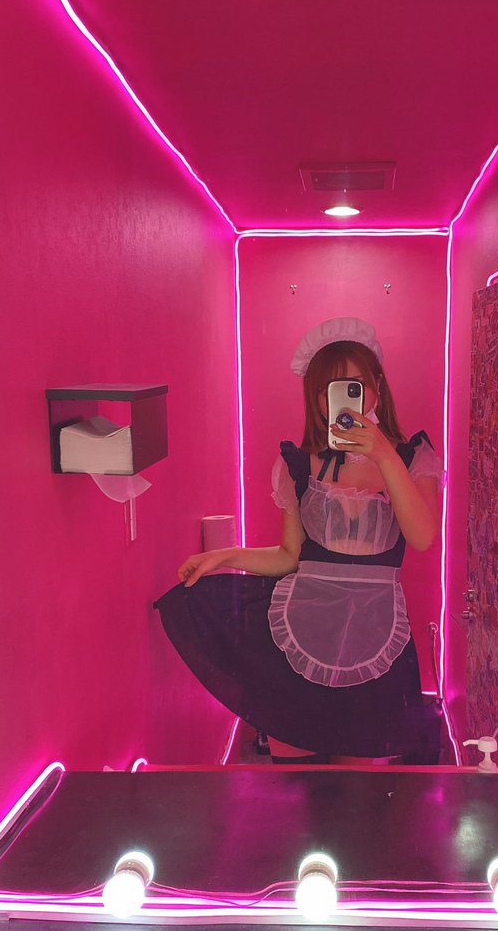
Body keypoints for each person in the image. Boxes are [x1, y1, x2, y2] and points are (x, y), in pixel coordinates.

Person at [154, 317, 445, 764]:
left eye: (353, 386)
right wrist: (224, 556)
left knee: (363, 783)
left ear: (376, 389)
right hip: (301, 631)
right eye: (328, 390)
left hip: (377, 635)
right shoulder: (297, 465)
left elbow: (422, 537)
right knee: (293, 778)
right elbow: (290, 556)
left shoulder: (412, 458)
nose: (340, 400)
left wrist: (384, 454)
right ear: (315, 399)